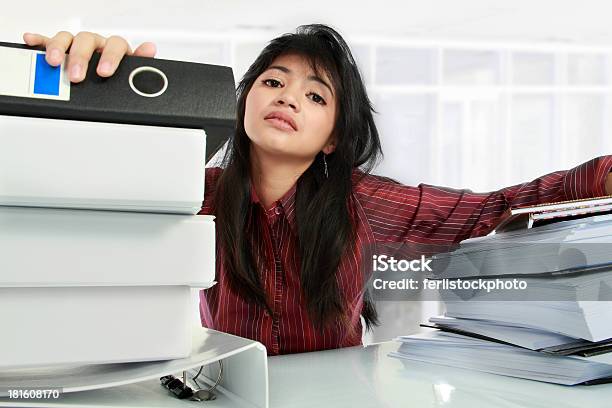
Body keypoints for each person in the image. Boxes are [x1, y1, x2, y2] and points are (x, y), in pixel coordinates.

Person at [24, 25, 612, 356]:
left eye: (315, 95)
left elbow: (491, 211)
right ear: (246, 100)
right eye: (273, 81)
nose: (286, 97)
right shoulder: (191, 192)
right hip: (226, 392)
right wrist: (77, 93)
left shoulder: (363, 202)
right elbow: (72, 195)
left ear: (333, 138)